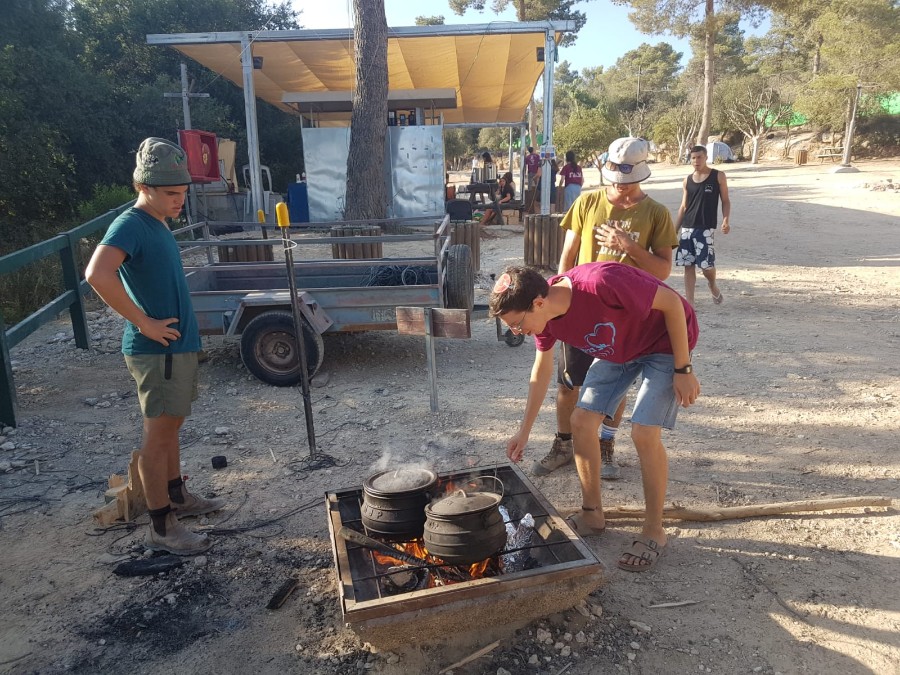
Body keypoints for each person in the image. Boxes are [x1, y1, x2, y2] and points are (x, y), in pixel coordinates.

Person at [489, 263, 699, 571]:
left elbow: (671, 304)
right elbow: (541, 371)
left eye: (518, 324)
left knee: (643, 432)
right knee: (581, 422)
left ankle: (654, 529)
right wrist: (524, 432)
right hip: (619, 349)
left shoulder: (601, 283)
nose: (517, 332)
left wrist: (683, 369)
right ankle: (592, 514)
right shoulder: (544, 319)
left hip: (664, 342)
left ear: (538, 302)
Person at [85, 137, 225, 556]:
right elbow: (97, 274)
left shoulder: (157, 220)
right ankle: (162, 528)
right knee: (157, 436)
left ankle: (178, 495)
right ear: (144, 187)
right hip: (156, 351)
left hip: (175, 347)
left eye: (182, 193)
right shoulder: (130, 223)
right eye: (171, 193)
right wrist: (143, 322)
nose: (180, 200)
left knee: (172, 427)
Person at [534, 137, 677, 481]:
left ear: (640, 178)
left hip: (627, 318)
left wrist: (627, 246)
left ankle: (606, 443)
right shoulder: (587, 203)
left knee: (616, 388)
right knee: (569, 384)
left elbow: (662, 271)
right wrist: (556, 302)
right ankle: (565, 443)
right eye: (614, 180)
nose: (620, 189)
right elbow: (567, 258)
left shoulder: (656, 213)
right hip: (580, 312)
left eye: (627, 184)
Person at [675, 145, 731, 305]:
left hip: (705, 228)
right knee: (688, 265)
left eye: (699, 157)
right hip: (687, 228)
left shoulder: (718, 176)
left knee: (706, 267)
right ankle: (690, 304)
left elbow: (726, 201)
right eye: (693, 158)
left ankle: (712, 285)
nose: (696, 161)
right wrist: (674, 230)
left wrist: (726, 220)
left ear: (706, 157)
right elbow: (683, 206)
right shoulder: (687, 180)